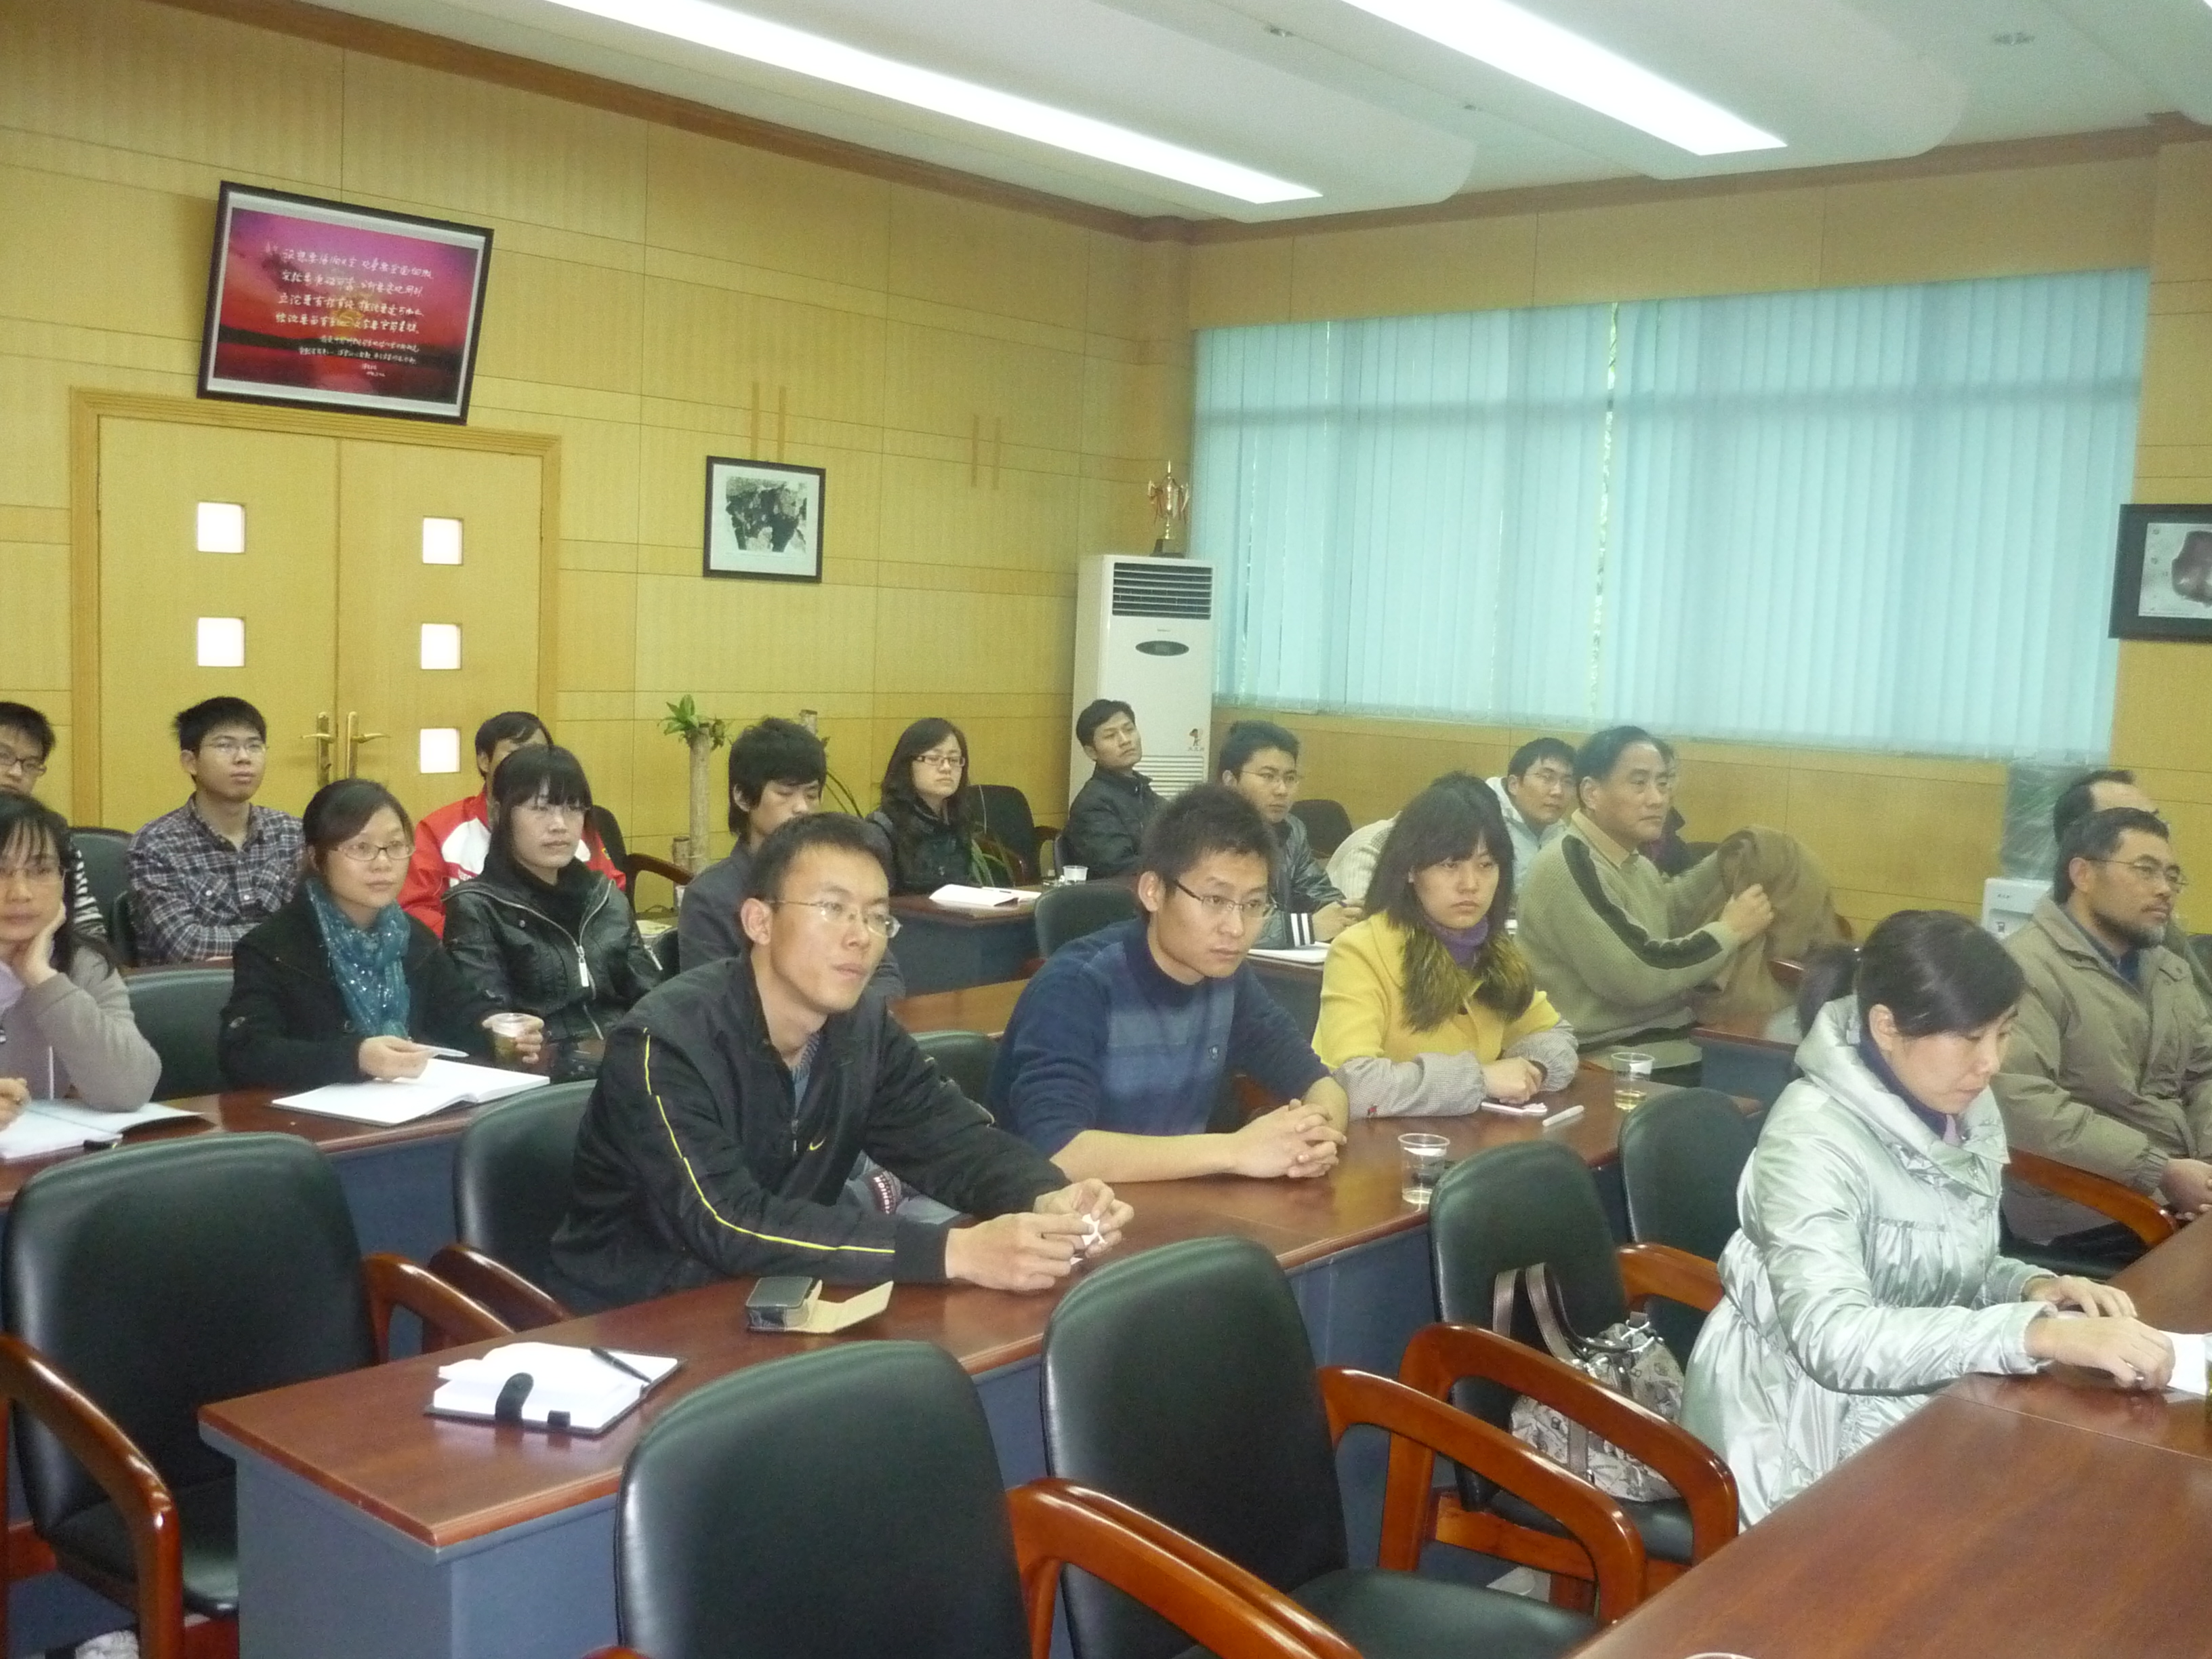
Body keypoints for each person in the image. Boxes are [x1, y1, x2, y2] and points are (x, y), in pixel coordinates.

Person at [1681, 910, 2175, 1525]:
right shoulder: (1811, 1139)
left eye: (2003, 1033)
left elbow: (1940, 1261)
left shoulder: (1953, 1104)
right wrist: (2033, 1334)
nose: (1991, 1063)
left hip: (1911, 1402)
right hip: (1796, 1432)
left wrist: (2029, 1287)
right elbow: (1834, 1339)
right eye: (1970, 1038)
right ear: (1886, 1027)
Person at [550, 813, 1130, 1309]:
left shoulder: (861, 1028)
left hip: (781, 1294)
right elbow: (728, 1220)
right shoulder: (664, 1043)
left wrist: (1045, 1194)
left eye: (877, 916)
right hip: (634, 1316)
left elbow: (951, 1140)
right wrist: (955, 1252)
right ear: (759, 921)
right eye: (833, 908)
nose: (862, 937)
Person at [991, 784, 1348, 1183]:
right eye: (1215, 900)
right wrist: (1235, 1150)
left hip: (1171, 1205)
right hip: (1054, 1211)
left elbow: (1319, 1082)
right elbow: (1060, 1153)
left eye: (1253, 905)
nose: (1235, 928)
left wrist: (1311, 1139)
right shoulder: (1076, 986)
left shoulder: (1228, 979)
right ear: (1154, 891)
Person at [220, 779, 544, 1090]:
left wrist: (497, 1028)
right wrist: (356, 1057)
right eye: (361, 848)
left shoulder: (412, 938)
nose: (383, 863)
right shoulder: (273, 947)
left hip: (405, 1103)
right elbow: (246, 1053)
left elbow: (458, 1012)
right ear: (317, 858)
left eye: (395, 846)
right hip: (308, 1115)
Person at [1993, 806, 2212, 1268]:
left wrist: (2206, 1171)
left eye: (2172, 876)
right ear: (2083, 875)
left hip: (2176, 1188)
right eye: (2146, 870)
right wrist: (2161, 1170)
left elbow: (2204, 1073)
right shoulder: (2025, 969)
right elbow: (2023, 1103)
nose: (2164, 889)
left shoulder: (2167, 970)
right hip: (2084, 1208)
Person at [1315, 777, 1576, 1118]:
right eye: (1450, 865)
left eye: (1486, 865)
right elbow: (1354, 1085)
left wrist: (1533, 1069)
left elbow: (1556, 1035)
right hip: (1386, 1144)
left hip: (1473, 1136)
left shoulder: (1495, 951)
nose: (1470, 884)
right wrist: (1481, 1080)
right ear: (1411, 870)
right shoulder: (1361, 949)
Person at [1518, 726, 1771, 1056]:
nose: (1658, 799)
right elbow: (1639, 975)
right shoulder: (1569, 862)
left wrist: (1723, 860)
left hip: (1660, 1036)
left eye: (1663, 784)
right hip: (1610, 1051)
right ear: (1592, 793)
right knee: (1761, 1064)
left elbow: (1666, 910)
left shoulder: (1631, 859)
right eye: (1639, 783)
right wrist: (1731, 931)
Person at [443, 746, 662, 1076]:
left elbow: (652, 996)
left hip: (627, 1065)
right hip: (544, 1077)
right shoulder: (477, 907)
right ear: (499, 813)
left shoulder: (604, 897)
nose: (559, 825)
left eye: (573, 808)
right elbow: (495, 1026)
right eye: (540, 808)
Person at [676, 720, 903, 1006]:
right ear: (743, 798)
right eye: (785, 794)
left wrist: (843, 1015)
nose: (802, 807)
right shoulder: (710, 896)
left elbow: (887, 977)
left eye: (811, 794)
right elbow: (711, 999)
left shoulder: (838, 880)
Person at [0, 795, 159, 1113]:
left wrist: (43, 980)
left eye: (41, 870)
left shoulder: (84, 963)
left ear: (65, 881)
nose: (20, 893)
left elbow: (129, 1090)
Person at [399, 711, 623, 935]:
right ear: (484, 760)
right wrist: (478, 938)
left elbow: (611, 895)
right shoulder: (440, 829)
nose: (529, 764)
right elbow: (415, 909)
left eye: (537, 752)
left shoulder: (566, 825)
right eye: (516, 752)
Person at [127, 696, 302, 964]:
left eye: (254, 746)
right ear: (190, 762)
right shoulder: (155, 844)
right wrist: (286, 939)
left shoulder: (292, 833)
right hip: (197, 988)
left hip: (284, 984)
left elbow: (321, 927)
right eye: (225, 745)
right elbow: (187, 945)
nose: (243, 758)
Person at [2053, 769, 2212, 1006]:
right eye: (2133, 823)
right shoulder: (2037, 968)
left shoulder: (2159, 937)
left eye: (2156, 822)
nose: (2154, 835)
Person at [1216, 719, 1353, 948]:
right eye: (1268, 776)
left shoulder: (1292, 829)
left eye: (1290, 778)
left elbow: (1315, 890)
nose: (1282, 790)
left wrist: (1345, 914)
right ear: (1231, 781)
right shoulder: (1207, 835)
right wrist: (1309, 928)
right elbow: (1227, 918)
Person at [864, 717, 1013, 895]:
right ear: (907, 764)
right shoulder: (883, 828)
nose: (946, 768)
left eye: (954, 759)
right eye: (934, 758)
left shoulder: (956, 821)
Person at [0, 702, 103, 939]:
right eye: (3, 756)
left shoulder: (51, 833)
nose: (16, 773)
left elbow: (88, 929)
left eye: (30, 765)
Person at [1063, 699, 1163, 878]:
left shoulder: (1143, 792)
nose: (1125, 740)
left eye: (1129, 730)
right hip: (1121, 893)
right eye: (1110, 736)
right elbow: (1120, 868)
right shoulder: (1092, 804)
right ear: (1091, 752)